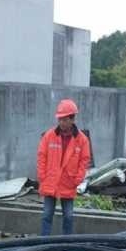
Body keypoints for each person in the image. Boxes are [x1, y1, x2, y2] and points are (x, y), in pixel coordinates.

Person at [37, 99, 91, 236]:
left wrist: (77, 179)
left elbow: (84, 160)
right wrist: (42, 176)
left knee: (68, 216)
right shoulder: (49, 136)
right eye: (60, 119)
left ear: (72, 119)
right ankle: (43, 243)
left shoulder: (82, 140)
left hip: (68, 183)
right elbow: (42, 156)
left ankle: (66, 243)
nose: (61, 122)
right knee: (46, 215)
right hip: (50, 182)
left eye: (64, 119)